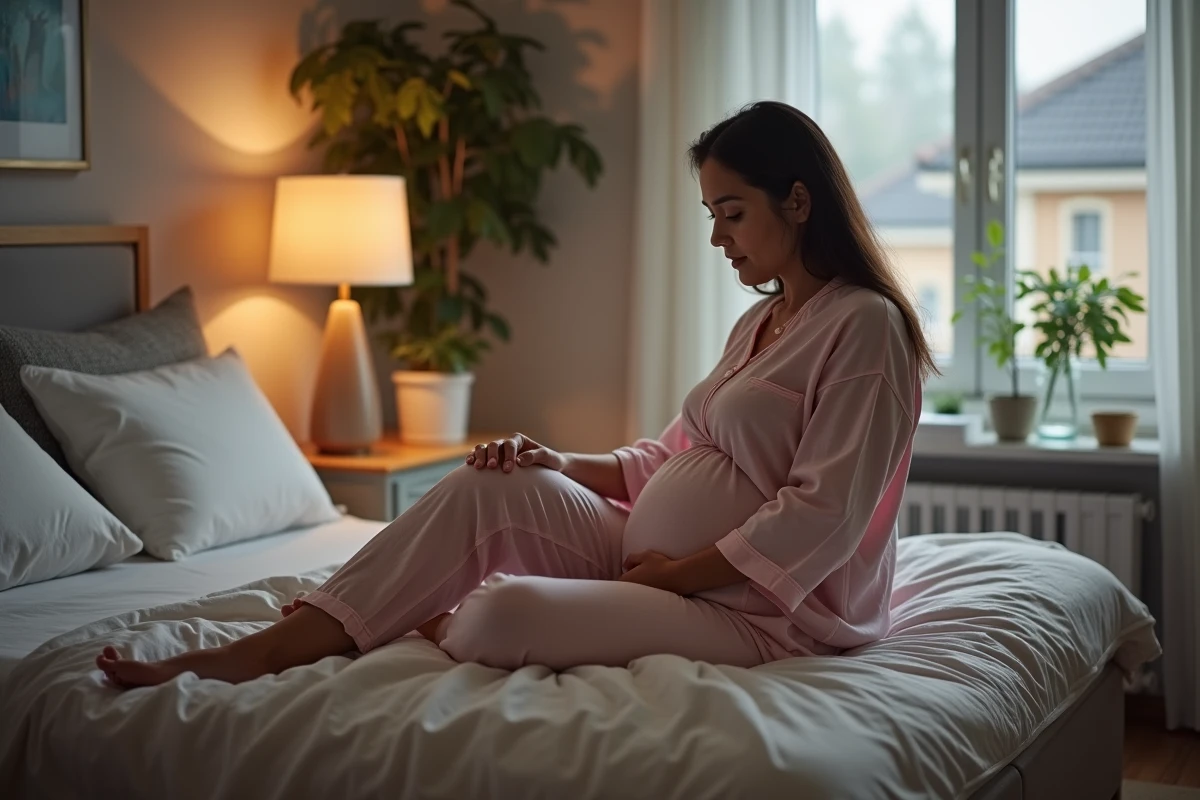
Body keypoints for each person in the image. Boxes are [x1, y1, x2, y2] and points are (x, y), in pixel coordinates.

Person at [97, 100, 938, 688]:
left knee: (500, 621)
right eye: (710, 214)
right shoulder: (764, 321)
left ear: (797, 201)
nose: (717, 236)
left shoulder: (864, 326)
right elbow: (672, 455)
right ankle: (268, 649)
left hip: (758, 610)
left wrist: (668, 581)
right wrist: (560, 461)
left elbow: (820, 516)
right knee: (484, 482)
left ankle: (428, 612)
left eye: (732, 212)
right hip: (657, 567)